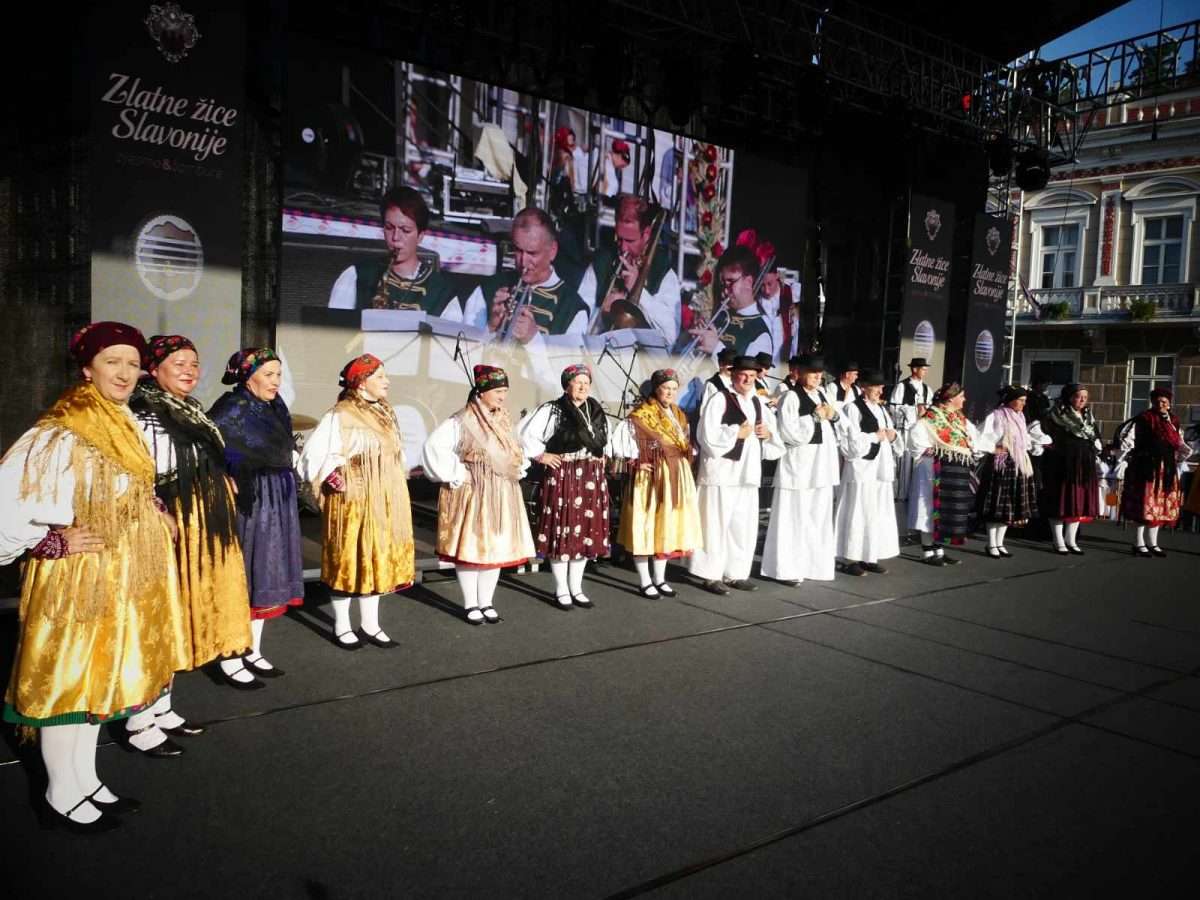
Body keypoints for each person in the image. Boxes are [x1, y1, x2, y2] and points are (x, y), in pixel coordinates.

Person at [0, 322, 188, 832]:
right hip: (77, 578)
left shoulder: (118, 418)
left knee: (97, 681)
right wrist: (48, 541)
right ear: (88, 369)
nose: (124, 373)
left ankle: (86, 780)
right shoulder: (64, 427)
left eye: (132, 363)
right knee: (71, 681)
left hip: (117, 573)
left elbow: (127, 484)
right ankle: (60, 793)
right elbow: (10, 498)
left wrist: (153, 509)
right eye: (112, 362)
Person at [125, 334, 253, 757]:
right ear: (154, 368)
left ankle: (162, 707)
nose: (189, 370)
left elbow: (207, 456)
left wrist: (222, 477)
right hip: (170, 525)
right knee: (160, 617)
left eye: (194, 363)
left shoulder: (188, 408)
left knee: (179, 616)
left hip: (200, 524)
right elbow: (140, 473)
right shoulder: (144, 413)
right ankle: (139, 720)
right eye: (178, 363)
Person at [297, 354, 414, 649]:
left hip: (382, 498)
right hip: (354, 500)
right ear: (361, 383)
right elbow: (312, 456)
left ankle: (370, 624)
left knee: (375, 557)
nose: (387, 381)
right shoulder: (341, 415)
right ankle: (341, 625)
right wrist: (335, 477)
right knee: (348, 559)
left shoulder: (384, 411)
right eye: (379, 377)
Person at [208, 349, 305, 685]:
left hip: (276, 496)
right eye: (268, 374)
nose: (276, 381)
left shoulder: (274, 406)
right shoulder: (231, 408)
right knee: (246, 572)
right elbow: (212, 450)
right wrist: (230, 473)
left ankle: (252, 649)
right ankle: (230, 654)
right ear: (247, 377)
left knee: (266, 570)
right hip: (250, 500)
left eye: (278, 374)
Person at [421, 365, 536, 623]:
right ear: (482, 392)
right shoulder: (462, 420)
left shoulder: (503, 419)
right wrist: (457, 472)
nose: (502, 396)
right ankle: (471, 603)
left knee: (496, 547)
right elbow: (433, 447)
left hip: (502, 491)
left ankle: (486, 601)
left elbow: (515, 449)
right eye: (498, 391)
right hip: (474, 492)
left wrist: (516, 466)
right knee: (472, 547)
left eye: (505, 391)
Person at [518, 364, 610, 609]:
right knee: (563, 531)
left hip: (590, 475)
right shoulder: (553, 409)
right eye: (578, 382)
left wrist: (601, 455)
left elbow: (603, 439)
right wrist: (541, 455)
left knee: (585, 533)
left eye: (586, 383)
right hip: (564, 473)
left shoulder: (596, 409)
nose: (583, 387)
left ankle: (576, 588)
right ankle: (561, 589)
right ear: (567, 385)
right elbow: (525, 435)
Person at [689, 356, 783, 594]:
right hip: (722, 473)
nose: (748, 380)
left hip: (747, 474)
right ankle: (711, 574)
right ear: (733, 375)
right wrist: (735, 434)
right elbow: (706, 435)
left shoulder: (757, 403)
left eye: (752, 376)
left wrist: (767, 434)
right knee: (715, 524)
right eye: (744, 375)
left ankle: (736, 573)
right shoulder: (719, 399)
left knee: (743, 526)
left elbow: (773, 439)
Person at [610, 368, 703, 596]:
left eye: (673, 388)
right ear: (656, 389)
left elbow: (687, 443)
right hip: (651, 477)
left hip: (675, 474)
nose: (670, 392)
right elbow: (619, 445)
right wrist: (635, 462)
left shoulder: (679, 414)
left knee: (666, 525)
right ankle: (645, 581)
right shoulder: (642, 414)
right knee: (646, 524)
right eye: (665, 388)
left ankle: (660, 579)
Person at [761, 354, 841, 584]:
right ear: (800, 373)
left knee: (817, 517)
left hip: (821, 465)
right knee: (792, 517)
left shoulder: (822, 394)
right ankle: (785, 569)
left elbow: (836, 424)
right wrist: (814, 417)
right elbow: (789, 433)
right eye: (812, 373)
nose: (817, 377)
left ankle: (813, 565)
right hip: (799, 465)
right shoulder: (790, 397)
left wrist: (833, 415)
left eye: (819, 373)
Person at [458, 207, 589, 343]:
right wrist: (491, 327)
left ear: (552, 251)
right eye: (518, 250)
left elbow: (567, 357)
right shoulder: (487, 289)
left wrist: (533, 339)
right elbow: (464, 350)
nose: (523, 262)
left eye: (532, 253)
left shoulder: (573, 308)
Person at [327, 186, 459, 316]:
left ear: (420, 236)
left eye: (405, 230)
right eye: (389, 228)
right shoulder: (357, 275)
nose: (395, 238)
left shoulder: (442, 291)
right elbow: (334, 325)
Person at [578, 194, 680, 344]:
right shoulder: (603, 260)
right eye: (619, 239)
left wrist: (638, 292)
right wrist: (601, 312)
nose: (623, 248)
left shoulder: (663, 271)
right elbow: (579, 320)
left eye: (630, 240)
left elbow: (671, 335)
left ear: (646, 234)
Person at [834, 369, 901, 576]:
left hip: (879, 469)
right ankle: (849, 557)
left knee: (875, 512)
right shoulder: (852, 408)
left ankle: (869, 555)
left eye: (881, 387)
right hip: (861, 468)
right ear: (864, 388)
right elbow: (849, 441)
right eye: (876, 387)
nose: (880, 391)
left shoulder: (881, 409)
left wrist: (892, 436)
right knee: (857, 510)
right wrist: (874, 437)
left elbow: (890, 433)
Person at [906, 382, 979, 566]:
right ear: (950, 399)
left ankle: (938, 549)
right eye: (961, 396)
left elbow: (973, 438)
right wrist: (931, 450)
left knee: (945, 508)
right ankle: (927, 551)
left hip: (951, 469)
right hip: (932, 469)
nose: (964, 399)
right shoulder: (930, 418)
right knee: (930, 507)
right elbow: (916, 438)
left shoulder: (958, 418)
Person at [976, 386, 1049, 558]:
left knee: (1008, 505)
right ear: (1011, 400)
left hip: (1018, 463)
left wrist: (1036, 444)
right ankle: (991, 543)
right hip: (1002, 463)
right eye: (1021, 400)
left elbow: (1025, 440)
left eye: (1025, 401)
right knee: (997, 503)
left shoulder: (1020, 417)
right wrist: (993, 448)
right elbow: (981, 435)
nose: (1023, 404)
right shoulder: (997, 415)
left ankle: (999, 543)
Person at [1116, 388, 1190, 557]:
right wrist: (1129, 457)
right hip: (1147, 467)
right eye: (1157, 401)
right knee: (1145, 505)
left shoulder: (1173, 421)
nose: (1160, 404)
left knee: (1160, 505)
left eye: (1164, 402)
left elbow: (1179, 442)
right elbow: (1127, 440)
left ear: (1169, 404)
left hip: (1167, 468)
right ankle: (1138, 543)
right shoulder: (1144, 418)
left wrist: (1180, 458)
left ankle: (1152, 543)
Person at [1039, 384, 1103, 554]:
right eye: (1078, 396)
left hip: (1083, 464)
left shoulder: (1087, 416)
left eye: (1085, 397)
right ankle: (1058, 540)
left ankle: (1071, 539)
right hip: (1062, 464)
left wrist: (1096, 446)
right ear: (1069, 397)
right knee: (1060, 502)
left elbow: (1095, 436)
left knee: (1077, 502)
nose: (1082, 400)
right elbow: (1046, 438)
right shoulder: (1055, 415)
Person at [686, 245, 774, 360]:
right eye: (723, 284)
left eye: (731, 282)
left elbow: (749, 371)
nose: (725, 291)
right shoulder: (722, 316)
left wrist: (716, 349)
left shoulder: (760, 334)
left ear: (748, 282)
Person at [889, 357, 934, 534]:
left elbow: (931, 410)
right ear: (914, 369)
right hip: (906, 433)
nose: (925, 372)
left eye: (926, 369)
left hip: (921, 434)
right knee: (904, 473)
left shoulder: (927, 389)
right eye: (922, 369)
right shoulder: (902, 386)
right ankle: (901, 522)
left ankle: (914, 522)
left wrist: (925, 412)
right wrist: (915, 410)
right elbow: (894, 409)